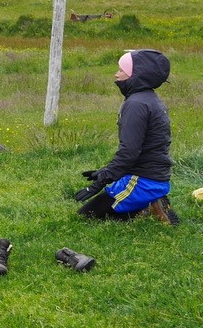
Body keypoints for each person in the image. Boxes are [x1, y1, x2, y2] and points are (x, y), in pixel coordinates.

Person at [74, 49, 176, 223]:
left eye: (121, 70)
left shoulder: (136, 104)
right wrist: (105, 172)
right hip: (148, 175)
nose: (116, 74)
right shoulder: (147, 99)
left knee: (88, 217)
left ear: (136, 74)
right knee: (94, 212)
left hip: (143, 180)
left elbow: (129, 152)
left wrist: (98, 184)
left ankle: (150, 204)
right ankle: (150, 202)